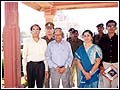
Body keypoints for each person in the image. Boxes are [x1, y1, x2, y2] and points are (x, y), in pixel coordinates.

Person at [98, 20, 118, 88]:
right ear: (106, 28)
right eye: (109, 26)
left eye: (113, 26)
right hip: (105, 65)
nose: (111, 27)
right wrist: (100, 66)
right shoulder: (102, 40)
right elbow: (99, 54)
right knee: (106, 85)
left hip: (116, 65)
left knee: (115, 85)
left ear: (116, 28)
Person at [42, 22, 54, 88]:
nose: (49, 30)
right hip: (44, 63)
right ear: (45, 30)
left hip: (54, 63)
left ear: (53, 30)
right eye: (47, 28)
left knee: (55, 81)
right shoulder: (41, 40)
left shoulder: (56, 40)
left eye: (51, 28)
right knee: (46, 81)